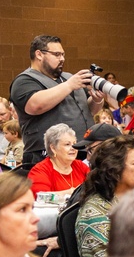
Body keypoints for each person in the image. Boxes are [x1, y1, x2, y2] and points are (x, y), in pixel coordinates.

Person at [10, 34, 107, 165]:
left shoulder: (68, 77)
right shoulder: (24, 80)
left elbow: (89, 111)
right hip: (46, 154)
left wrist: (97, 100)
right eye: (57, 54)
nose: (62, 59)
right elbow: (35, 106)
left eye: (63, 55)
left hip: (81, 150)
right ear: (39, 54)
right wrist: (69, 85)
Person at [28, 124, 89, 197]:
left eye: (74, 144)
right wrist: (70, 193)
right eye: (67, 144)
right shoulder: (40, 170)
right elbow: (41, 197)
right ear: (53, 148)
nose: (73, 148)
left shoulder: (80, 166)